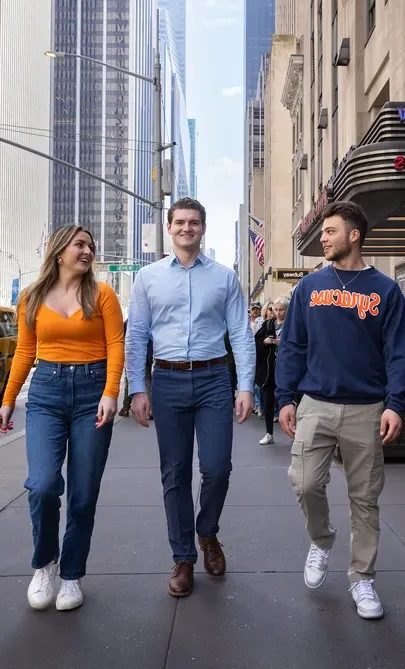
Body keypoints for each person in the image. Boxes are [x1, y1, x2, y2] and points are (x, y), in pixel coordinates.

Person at [276, 201, 405, 620]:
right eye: (323, 231)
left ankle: (362, 578)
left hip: (367, 407)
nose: (324, 237)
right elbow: (293, 346)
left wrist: (396, 404)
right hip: (315, 403)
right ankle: (321, 540)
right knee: (303, 482)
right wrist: (285, 397)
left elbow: (399, 353)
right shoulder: (308, 288)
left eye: (331, 231)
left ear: (354, 235)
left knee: (365, 498)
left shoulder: (385, 290)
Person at [125, 197, 256, 598]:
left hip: (215, 377)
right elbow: (137, 337)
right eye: (180, 222)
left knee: (217, 467)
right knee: (175, 473)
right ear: (170, 228)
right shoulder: (147, 278)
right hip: (166, 381)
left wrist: (246, 385)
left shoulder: (224, 277)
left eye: (193, 222)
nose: (186, 228)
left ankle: (207, 533)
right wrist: (137, 389)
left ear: (203, 228)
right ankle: (183, 557)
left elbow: (240, 333)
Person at [0, 225, 124, 612]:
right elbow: (23, 351)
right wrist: (8, 399)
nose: (87, 251)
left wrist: (110, 393)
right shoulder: (31, 297)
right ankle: (45, 565)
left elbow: (117, 344)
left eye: (90, 246)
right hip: (47, 392)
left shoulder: (102, 294)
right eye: (79, 244)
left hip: (92, 391)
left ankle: (71, 576)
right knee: (42, 485)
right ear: (59, 251)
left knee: (83, 495)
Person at [254, 299, 285, 445]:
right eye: (276, 310)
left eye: (281, 309)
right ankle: (269, 432)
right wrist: (265, 342)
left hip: (287, 368)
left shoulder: (292, 324)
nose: (278, 313)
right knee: (268, 401)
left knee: (291, 400)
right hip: (269, 369)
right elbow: (257, 341)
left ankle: (297, 432)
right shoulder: (268, 324)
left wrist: (283, 342)